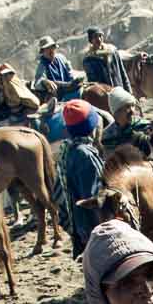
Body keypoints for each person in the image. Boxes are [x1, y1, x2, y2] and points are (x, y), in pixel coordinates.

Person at [57, 98, 105, 257]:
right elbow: (93, 200)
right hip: (93, 229)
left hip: (81, 225)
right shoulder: (84, 155)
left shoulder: (67, 148)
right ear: (91, 128)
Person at [0, 62, 40, 126]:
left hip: (23, 115)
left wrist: (41, 83)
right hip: (6, 121)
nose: (9, 77)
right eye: (5, 75)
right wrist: (10, 111)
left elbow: (31, 87)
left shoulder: (21, 86)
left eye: (10, 73)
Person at [101, 88, 151, 153]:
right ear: (116, 113)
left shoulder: (145, 127)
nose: (132, 111)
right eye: (127, 107)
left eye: (133, 106)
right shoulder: (107, 137)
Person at [34, 36, 80, 100]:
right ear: (43, 51)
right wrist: (44, 82)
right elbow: (37, 83)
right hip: (57, 96)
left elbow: (70, 73)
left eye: (52, 47)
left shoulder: (61, 58)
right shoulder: (42, 65)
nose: (50, 50)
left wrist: (73, 83)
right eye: (47, 48)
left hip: (70, 91)